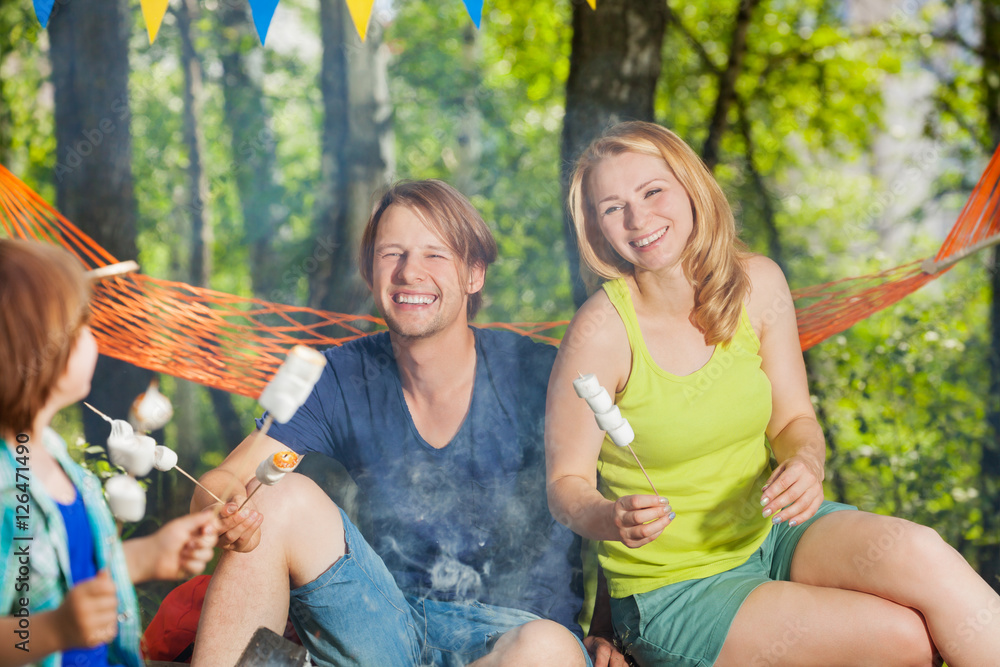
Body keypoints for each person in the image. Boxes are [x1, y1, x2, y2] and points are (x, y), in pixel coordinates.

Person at [545, 121, 1000, 667]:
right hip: (678, 588)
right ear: (596, 229)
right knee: (902, 638)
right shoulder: (600, 333)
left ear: (691, 188)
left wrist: (806, 461)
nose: (638, 219)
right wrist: (608, 517)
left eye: (652, 191)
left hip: (775, 530)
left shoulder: (758, 284)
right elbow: (565, 484)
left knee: (922, 553)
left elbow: (793, 421)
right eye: (612, 208)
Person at [191, 180, 623, 667]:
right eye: (391, 254)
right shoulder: (328, 373)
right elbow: (225, 477)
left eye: (435, 255)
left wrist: (610, 631)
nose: (409, 272)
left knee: (546, 649)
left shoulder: (544, 374)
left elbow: (617, 497)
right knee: (272, 496)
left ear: (474, 273)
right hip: (385, 627)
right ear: (370, 273)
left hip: (520, 640)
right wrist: (226, 508)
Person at [0, 239, 219, 667]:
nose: (93, 337)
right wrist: (50, 631)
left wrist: (146, 556)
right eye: (80, 326)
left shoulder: (56, 459)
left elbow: (72, 569)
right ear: (38, 348)